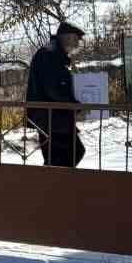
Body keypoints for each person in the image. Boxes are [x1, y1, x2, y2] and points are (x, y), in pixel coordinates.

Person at [26, 22, 86, 166]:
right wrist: (75, 105)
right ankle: (52, 186)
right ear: (68, 38)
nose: (78, 44)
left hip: (56, 118)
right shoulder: (50, 55)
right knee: (62, 157)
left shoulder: (54, 54)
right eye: (76, 39)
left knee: (68, 154)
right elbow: (53, 89)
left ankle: (56, 186)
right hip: (52, 118)